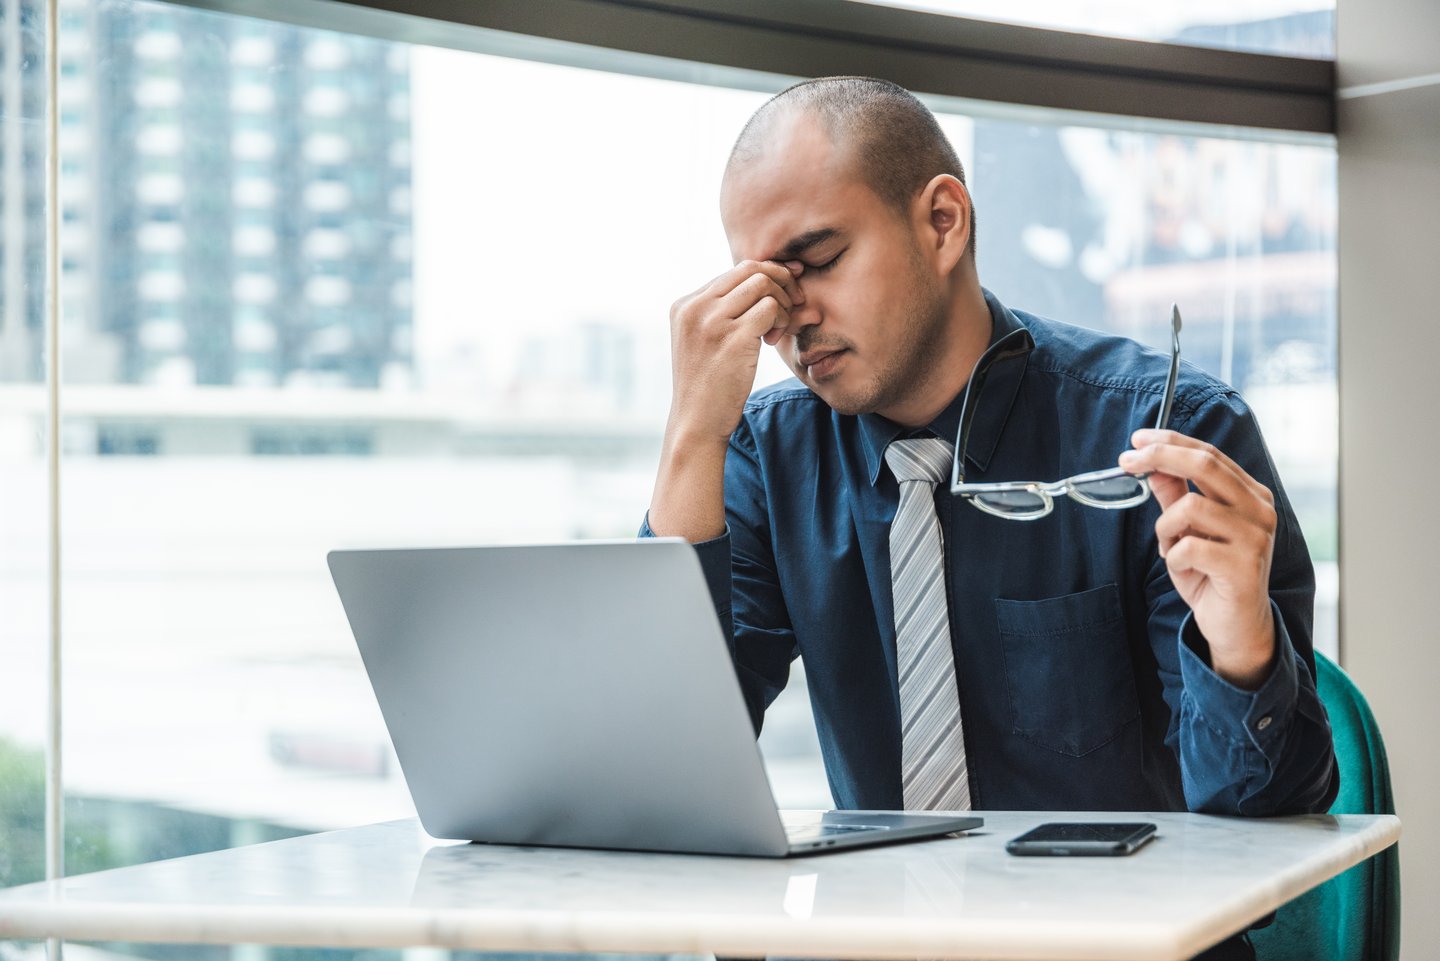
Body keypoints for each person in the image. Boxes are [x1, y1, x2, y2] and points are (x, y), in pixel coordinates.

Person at [642, 77, 1337, 959]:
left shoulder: (1164, 431)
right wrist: (689, 436)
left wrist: (1242, 642)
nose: (791, 320)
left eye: (815, 261)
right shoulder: (761, 456)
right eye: (766, 290)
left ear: (943, 222)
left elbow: (1268, 823)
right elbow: (664, 772)